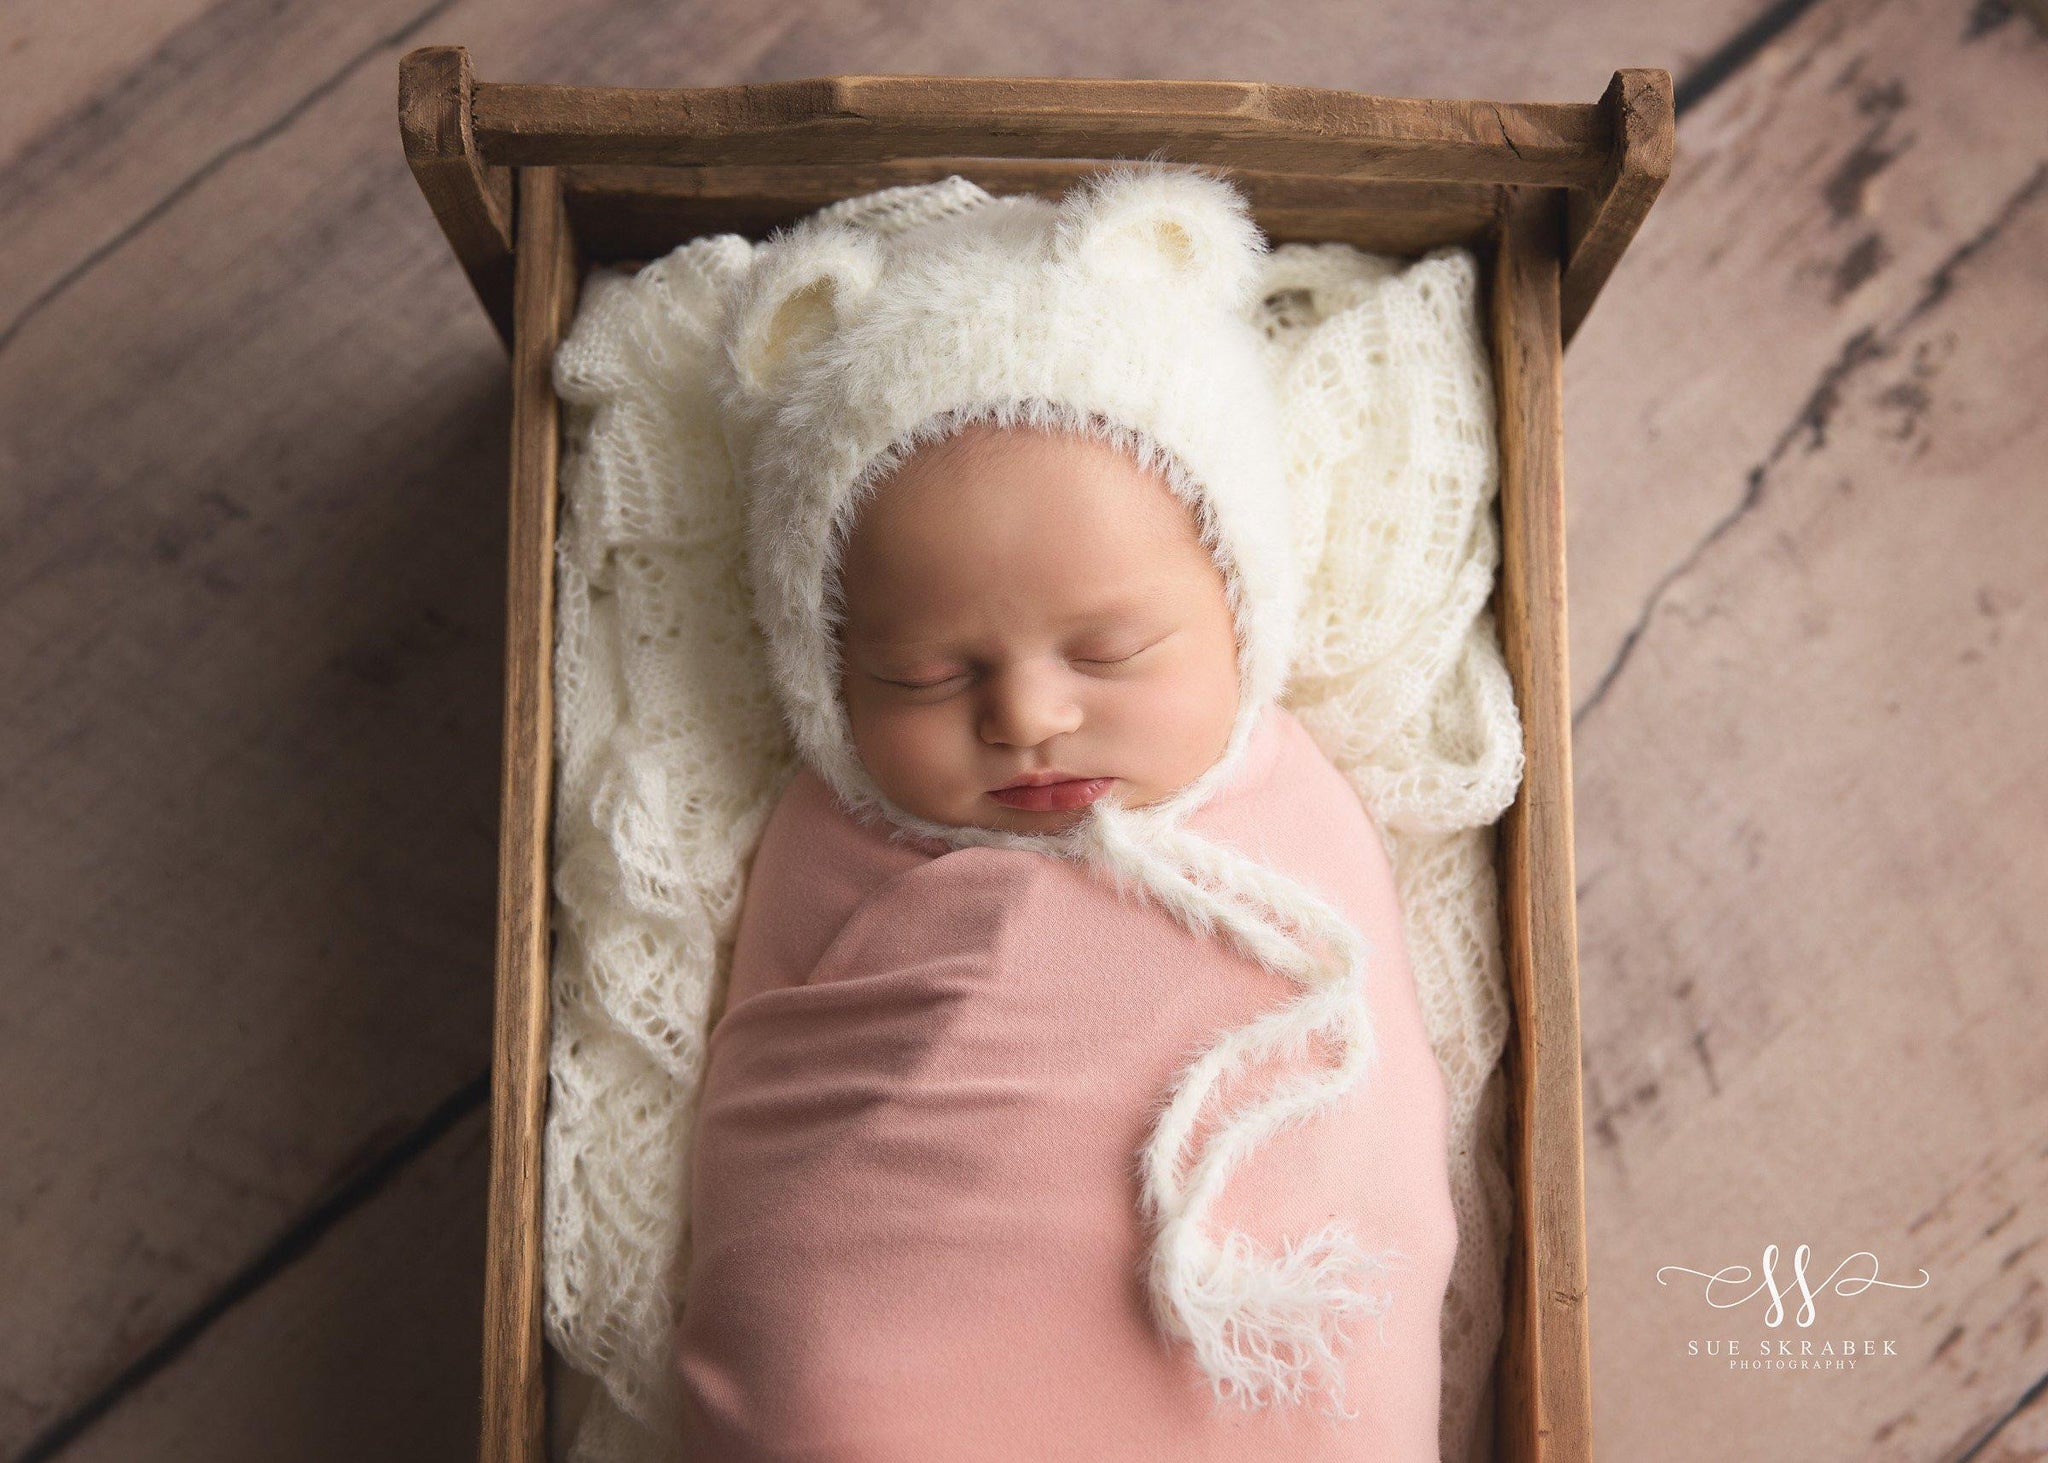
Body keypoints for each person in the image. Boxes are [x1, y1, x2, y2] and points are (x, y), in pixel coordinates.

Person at [673, 162, 1457, 1461]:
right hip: (897, 1342)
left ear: (1239, 617)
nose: (1028, 716)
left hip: (1238, 1312)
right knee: (823, 1393)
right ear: (825, 676)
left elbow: (1370, 1136)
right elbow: (785, 1148)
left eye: (1108, 651)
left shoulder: (1286, 810)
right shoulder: (836, 833)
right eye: (928, 675)